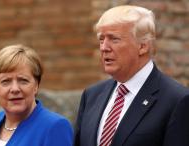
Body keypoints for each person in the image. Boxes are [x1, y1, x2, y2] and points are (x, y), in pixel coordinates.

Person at [74, 5, 189, 146]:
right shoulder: (91, 95)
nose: (104, 47)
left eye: (114, 39)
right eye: (101, 39)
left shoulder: (177, 100)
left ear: (142, 46)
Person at [0, 44, 73, 146]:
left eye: (23, 80)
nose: (15, 89)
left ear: (36, 85)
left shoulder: (55, 127)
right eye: (6, 81)